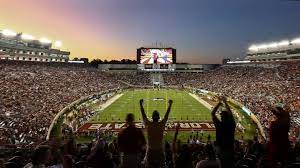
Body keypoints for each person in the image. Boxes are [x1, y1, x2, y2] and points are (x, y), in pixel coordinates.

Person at [140, 99, 173, 168]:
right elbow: (166, 116)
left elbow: (144, 116)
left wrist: (141, 105)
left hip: (150, 149)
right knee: (162, 165)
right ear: (158, 117)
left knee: (148, 165)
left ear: (152, 117)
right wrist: (170, 105)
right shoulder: (161, 124)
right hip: (160, 149)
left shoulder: (148, 124)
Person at [211, 96, 236, 168]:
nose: (221, 117)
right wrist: (225, 102)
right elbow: (231, 114)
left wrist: (219, 102)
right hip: (230, 148)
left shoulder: (219, 125)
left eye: (222, 116)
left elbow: (212, 113)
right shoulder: (232, 124)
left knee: (221, 164)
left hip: (221, 149)